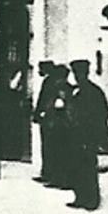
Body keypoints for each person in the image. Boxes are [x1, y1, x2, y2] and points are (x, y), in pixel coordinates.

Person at [66, 60, 108, 210]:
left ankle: (91, 200)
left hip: (87, 135)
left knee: (88, 167)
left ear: (85, 73)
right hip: (75, 135)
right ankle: (80, 197)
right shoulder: (77, 91)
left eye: (80, 73)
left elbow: (104, 113)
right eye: (76, 73)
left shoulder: (93, 92)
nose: (78, 76)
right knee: (76, 166)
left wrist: (95, 134)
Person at [33, 61, 72, 190]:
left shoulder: (55, 84)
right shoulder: (53, 82)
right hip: (49, 120)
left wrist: (40, 113)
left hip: (53, 122)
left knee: (52, 149)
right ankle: (48, 174)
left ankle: (53, 176)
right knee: (49, 148)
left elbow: (46, 101)